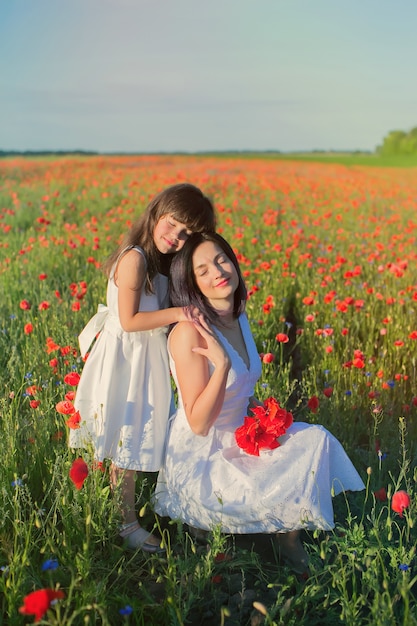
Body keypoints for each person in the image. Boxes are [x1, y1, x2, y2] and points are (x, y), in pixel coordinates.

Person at [154, 232, 365, 574]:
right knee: (280, 468)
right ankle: (213, 528)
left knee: (314, 439)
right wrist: (221, 366)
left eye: (221, 259)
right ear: (191, 283)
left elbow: (243, 392)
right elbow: (197, 423)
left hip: (241, 435)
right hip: (204, 457)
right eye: (202, 270)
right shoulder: (188, 333)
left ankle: (287, 539)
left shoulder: (237, 315)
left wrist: (264, 416)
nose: (217, 272)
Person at [69, 183, 216, 553]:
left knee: (133, 437)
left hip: (144, 360)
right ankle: (125, 524)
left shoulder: (161, 264)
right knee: (126, 441)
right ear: (155, 213)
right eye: (171, 225)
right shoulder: (134, 258)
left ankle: (133, 513)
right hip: (125, 361)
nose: (175, 237)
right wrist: (180, 313)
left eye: (186, 234)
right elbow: (131, 319)